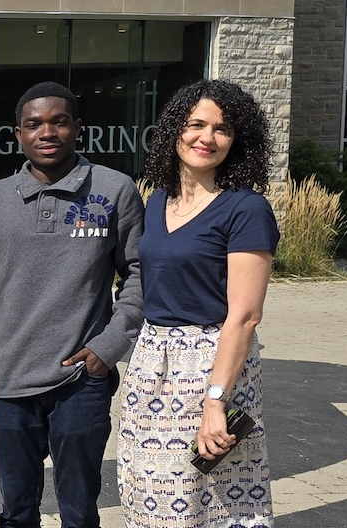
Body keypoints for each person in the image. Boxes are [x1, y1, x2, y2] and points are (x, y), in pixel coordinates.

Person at [0, 81, 144, 528]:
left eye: (59, 121)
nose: (48, 132)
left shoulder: (114, 190)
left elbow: (141, 275)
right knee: (17, 510)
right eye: (34, 124)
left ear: (78, 128)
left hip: (81, 379)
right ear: (18, 134)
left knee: (80, 512)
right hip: (10, 381)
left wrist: (108, 347)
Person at [118, 80, 277, 527]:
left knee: (214, 499)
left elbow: (244, 317)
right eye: (196, 124)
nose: (207, 137)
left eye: (222, 129)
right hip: (152, 362)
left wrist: (215, 401)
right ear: (174, 131)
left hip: (210, 364)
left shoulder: (245, 210)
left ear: (237, 141)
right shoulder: (156, 203)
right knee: (146, 493)